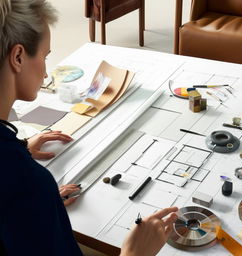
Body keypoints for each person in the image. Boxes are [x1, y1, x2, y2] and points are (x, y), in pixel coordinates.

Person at [0, 0, 178, 255]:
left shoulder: (21, 177)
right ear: (18, 57)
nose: (46, 72)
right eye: (44, 56)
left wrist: (42, 202)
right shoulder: (26, 183)